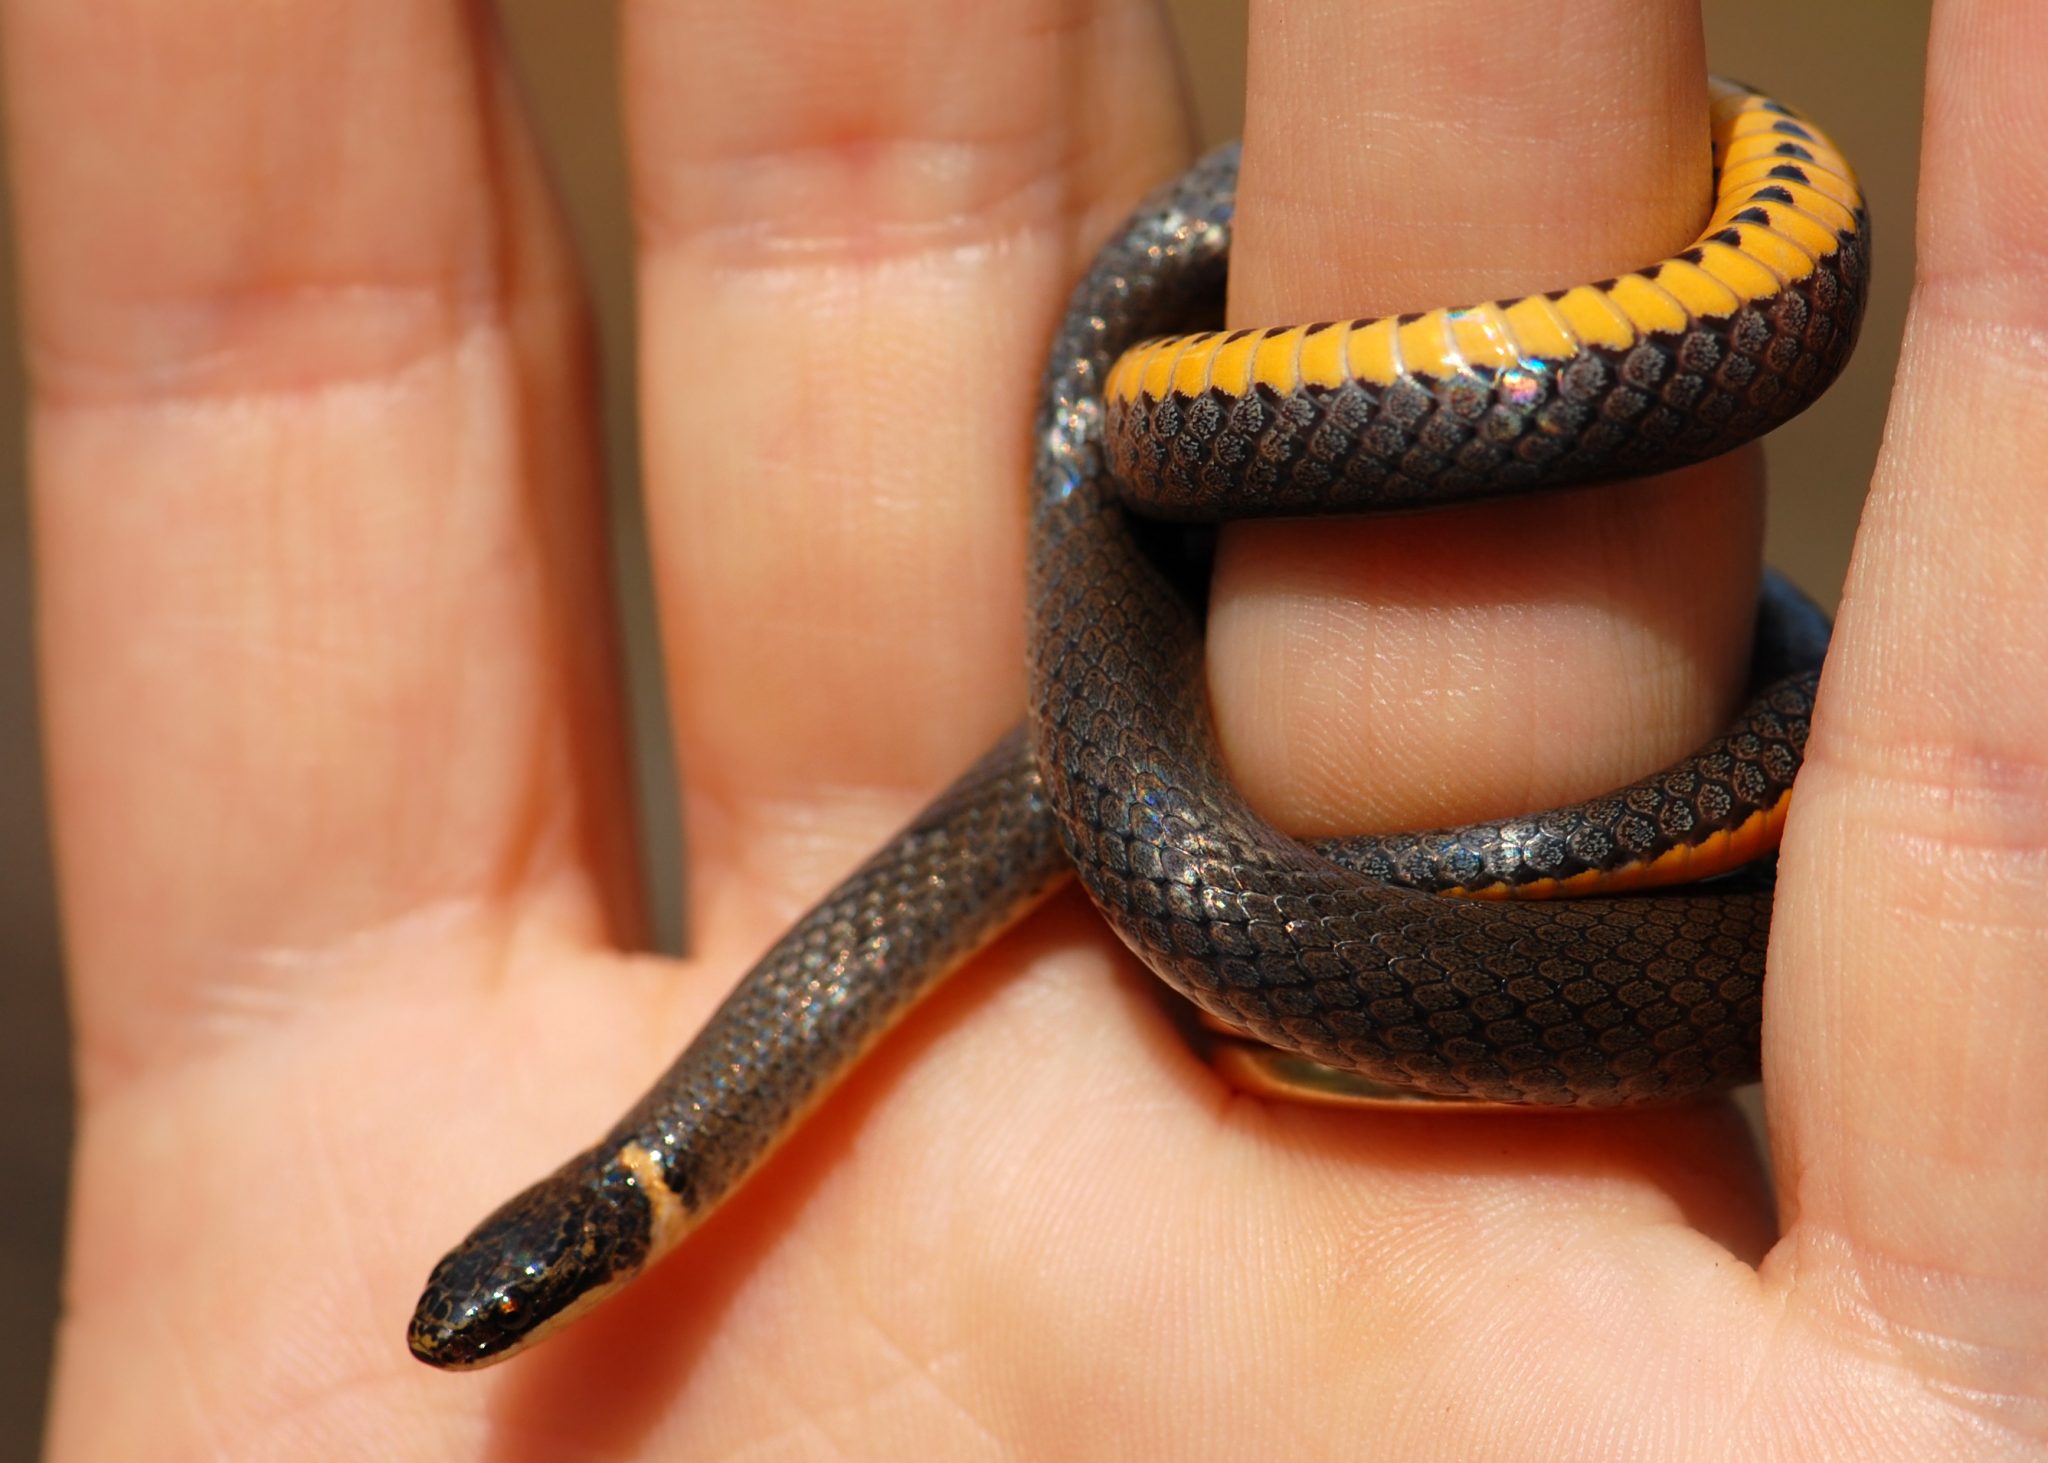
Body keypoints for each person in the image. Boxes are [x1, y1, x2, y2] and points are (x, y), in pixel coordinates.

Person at [17, 0, 2046, 1454]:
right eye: (513, 1311)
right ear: (599, 1241)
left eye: (514, 1302)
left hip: (1201, 480)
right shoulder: (1151, 827)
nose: (493, 1332)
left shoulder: (1140, 716)